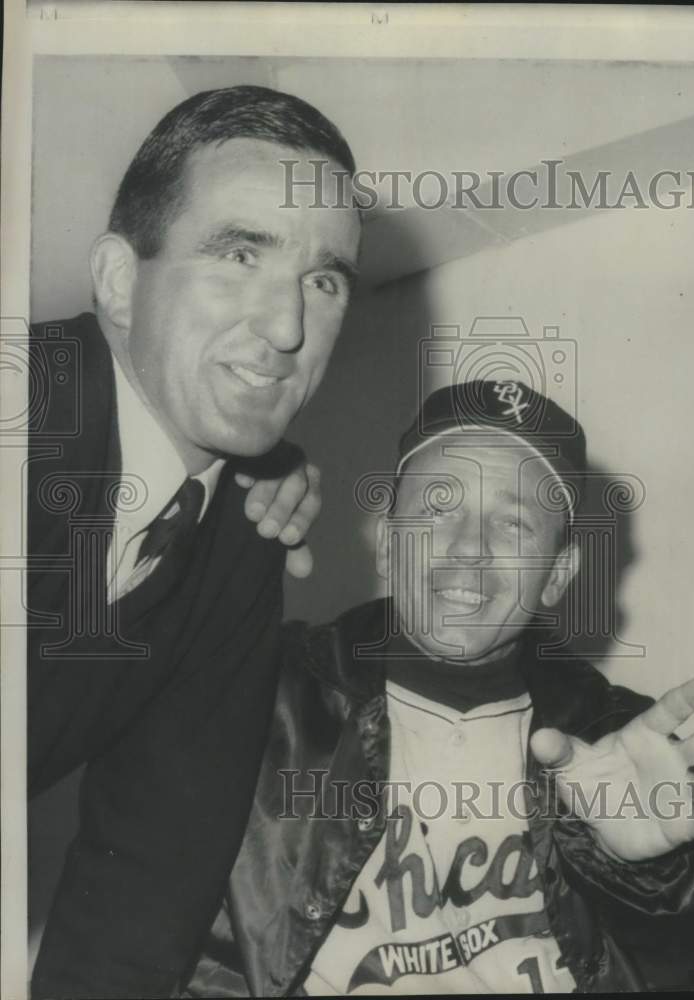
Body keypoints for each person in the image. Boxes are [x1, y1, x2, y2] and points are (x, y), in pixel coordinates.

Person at [187, 379, 694, 996]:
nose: (470, 549)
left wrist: (651, 869)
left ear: (558, 574)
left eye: (514, 526)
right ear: (389, 543)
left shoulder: (616, 737)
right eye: (440, 509)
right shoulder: (261, 693)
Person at [27, 84, 361, 998]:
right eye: (240, 253)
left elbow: (146, 884)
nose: (288, 328)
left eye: (323, 280)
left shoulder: (242, 536)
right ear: (119, 281)